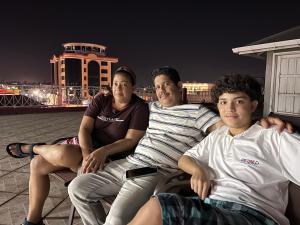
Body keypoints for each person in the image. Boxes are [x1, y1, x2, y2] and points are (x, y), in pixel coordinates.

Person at [68, 67, 292, 225]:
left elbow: (228, 124)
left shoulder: (198, 113)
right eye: (157, 86)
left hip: (152, 171)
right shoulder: (150, 107)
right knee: (76, 188)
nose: (161, 90)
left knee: (117, 219)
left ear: (179, 86)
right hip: (130, 162)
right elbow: (125, 100)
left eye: (166, 84)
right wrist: (108, 94)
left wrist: (263, 120)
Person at [128, 74, 300, 225]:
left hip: (253, 214)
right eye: (223, 102)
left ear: (253, 106)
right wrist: (198, 171)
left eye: (239, 101)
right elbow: (184, 159)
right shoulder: (218, 135)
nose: (229, 109)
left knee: (160, 206)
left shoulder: (275, 135)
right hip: (213, 207)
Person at [5, 66, 149, 225]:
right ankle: (33, 220)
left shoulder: (139, 107)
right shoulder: (102, 99)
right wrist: (88, 153)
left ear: (133, 87)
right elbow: (85, 128)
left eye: (124, 84)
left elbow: (130, 140)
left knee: (60, 154)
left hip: (109, 157)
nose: (118, 88)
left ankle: (34, 148)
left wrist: (101, 152)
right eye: (115, 83)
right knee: (37, 164)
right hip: (85, 147)